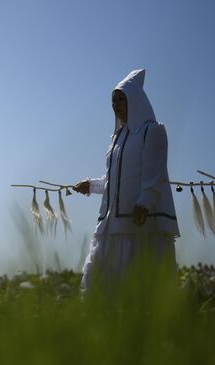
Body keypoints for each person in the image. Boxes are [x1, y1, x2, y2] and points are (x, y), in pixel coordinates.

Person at [73, 69, 179, 293]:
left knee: (137, 284)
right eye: (113, 100)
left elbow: (155, 175)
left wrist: (144, 202)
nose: (116, 104)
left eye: (122, 99)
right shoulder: (117, 139)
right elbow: (114, 181)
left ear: (135, 100)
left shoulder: (152, 132)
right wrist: (91, 185)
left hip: (137, 223)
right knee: (100, 285)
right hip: (111, 225)